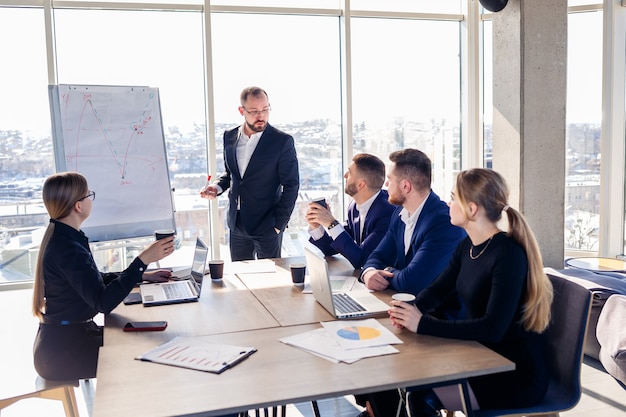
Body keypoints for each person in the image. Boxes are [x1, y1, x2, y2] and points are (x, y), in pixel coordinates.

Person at [385, 168, 554, 416]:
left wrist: (422, 324)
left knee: (420, 395)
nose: (447, 202)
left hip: (512, 372)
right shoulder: (468, 246)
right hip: (479, 357)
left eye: (453, 197)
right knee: (407, 379)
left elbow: (492, 329)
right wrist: (411, 310)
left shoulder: (507, 255)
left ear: (472, 209)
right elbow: (438, 289)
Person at [32, 171, 174, 381]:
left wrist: (142, 275)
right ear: (78, 206)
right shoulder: (68, 248)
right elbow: (103, 301)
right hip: (63, 354)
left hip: (66, 340)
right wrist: (142, 260)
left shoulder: (65, 237)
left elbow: (96, 279)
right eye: (88, 194)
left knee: (142, 342)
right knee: (145, 355)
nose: (91, 199)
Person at [200, 86, 299, 261]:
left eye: (265, 110)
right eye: (254, 111)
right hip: (236, 224)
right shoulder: (229, 137)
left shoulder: (282, 142)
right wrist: (216, 187)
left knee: (271, 282)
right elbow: (231, 175)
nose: (261, 116)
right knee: (239, 279)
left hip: (268, 226)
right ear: (241, 110)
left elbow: (291, 185)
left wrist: (278, 225)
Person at [360, 149, 465, 296]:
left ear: (406, 186)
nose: (386, 184)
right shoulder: (399, 213)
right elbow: (378, 255)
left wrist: (387, 271)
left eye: (390, 179)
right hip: (403, 306)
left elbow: (412, 282)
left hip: (436, 315)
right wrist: (369, 273)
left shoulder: (444, 223)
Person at [305, 153, 396, 269]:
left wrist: (332, 223)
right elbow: (332, 248)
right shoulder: (354, 207)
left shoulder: (387, 213)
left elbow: (362, 260)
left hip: (389, 282)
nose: (345, 175)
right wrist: (317, 226)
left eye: (350, 172)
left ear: (360, 184)